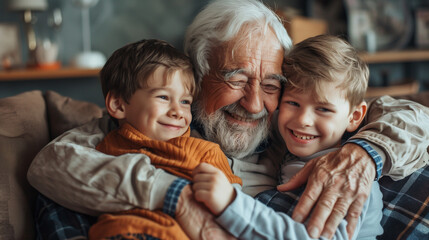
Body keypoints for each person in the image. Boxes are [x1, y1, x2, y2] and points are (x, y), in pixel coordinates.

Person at [27, 0, 429, 239]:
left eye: (272, 84)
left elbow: (414, 118)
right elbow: (50, 165)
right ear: (197, 77)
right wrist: (174, 194)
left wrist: (363, 153)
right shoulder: (157, 122)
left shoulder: (293, 125)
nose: (254, 103)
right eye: (235, 78)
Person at [192, 34, 384, 239]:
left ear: (354, 117)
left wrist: (232, 204)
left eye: (323, 109)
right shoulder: (287, 149)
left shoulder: (351, 178)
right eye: (293, 103)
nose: (303, 120)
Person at [85, 39, 241, 239]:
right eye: (163, 97)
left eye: (185, 101)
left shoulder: (204, 152)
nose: (178, 112)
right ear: (118, 104)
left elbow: (234, 208)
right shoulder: (101, 148)